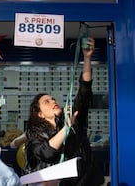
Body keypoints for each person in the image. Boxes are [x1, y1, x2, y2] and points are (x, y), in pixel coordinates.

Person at [24, 37, 105, 186]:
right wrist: (66, 129)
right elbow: (46, 153)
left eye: (53, 99)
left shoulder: (74, 119)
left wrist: (87, 58)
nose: (53, 102)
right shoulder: (35, 136)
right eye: (46, 102)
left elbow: (84, 91)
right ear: (39, 114)